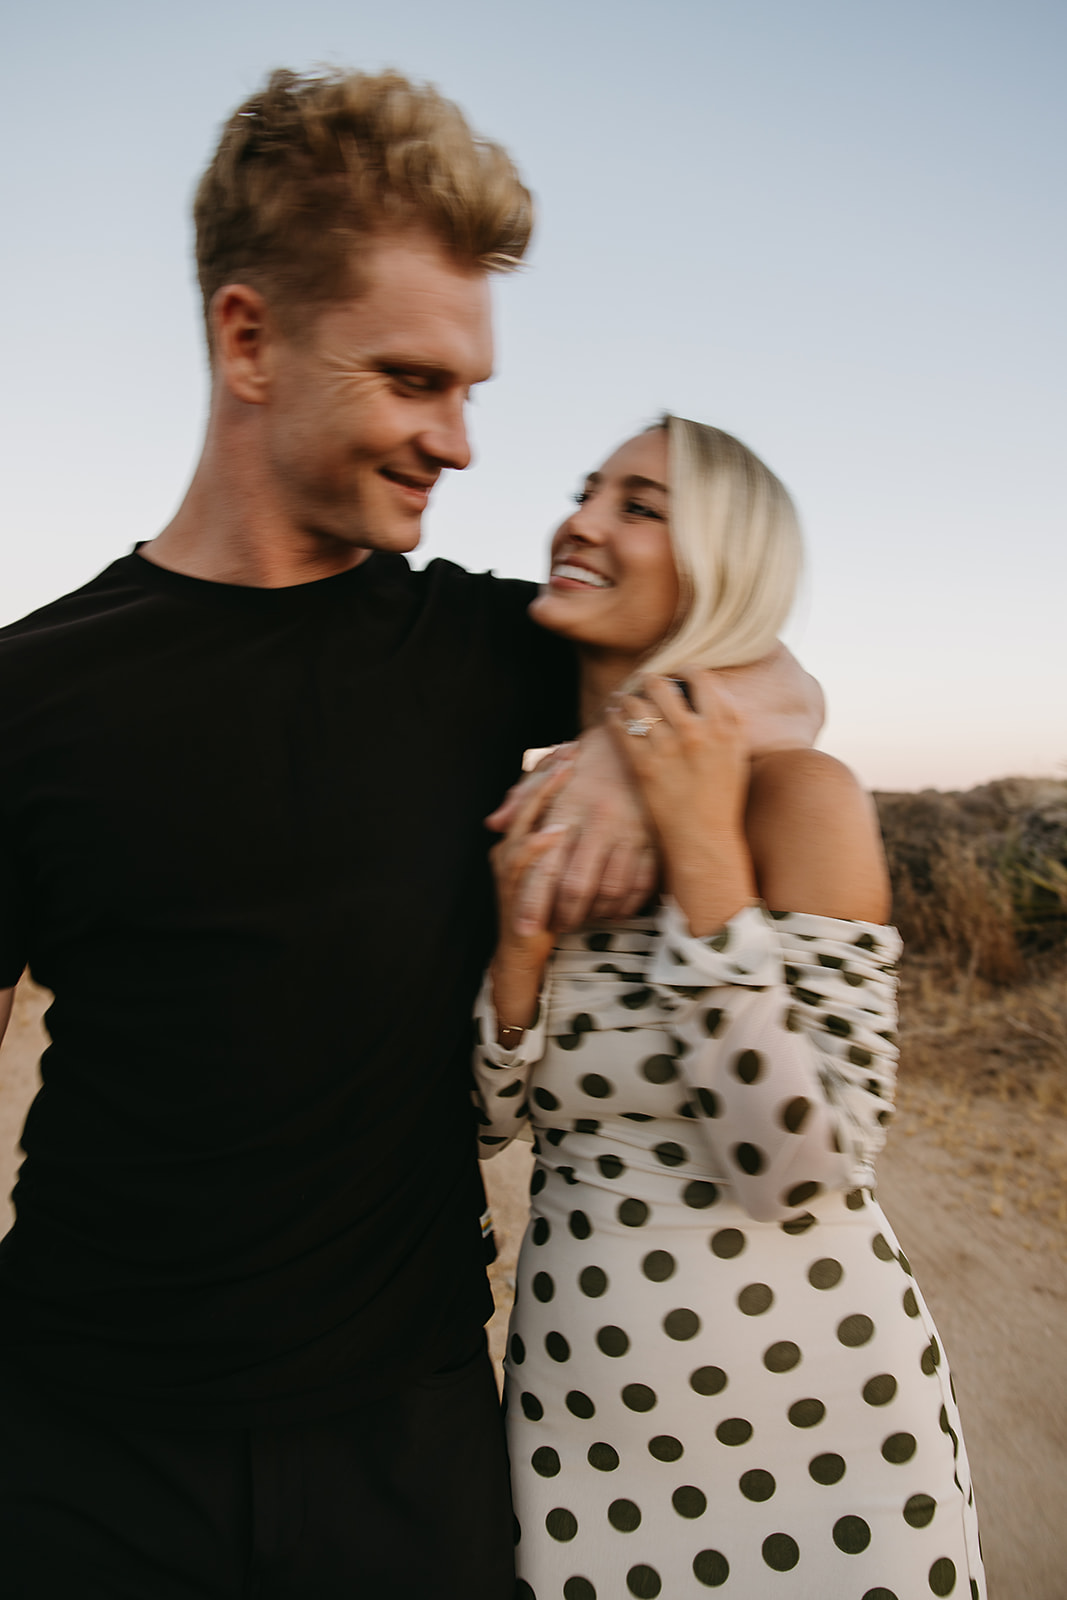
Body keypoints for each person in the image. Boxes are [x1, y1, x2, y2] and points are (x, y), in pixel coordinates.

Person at [0, 71, 819, 1600]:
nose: (457, 442)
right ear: (248, 339)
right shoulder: (30, 689)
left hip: (407, 1448)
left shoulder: (491, 649)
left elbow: (777, 666)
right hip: (74, 1446)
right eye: (408, 380)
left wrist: (636, 762)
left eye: (470, 390)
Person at [475, 416, 986, 1599]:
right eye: (585, 491)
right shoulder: (534, 801)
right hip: (576, 1416)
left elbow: (802, 1163)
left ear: (725, 568)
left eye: (639, 505)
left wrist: (703, 853)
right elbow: (487, 1121)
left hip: (818, 1426)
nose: (582, 522)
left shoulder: (801, 798)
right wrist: (520, 940)